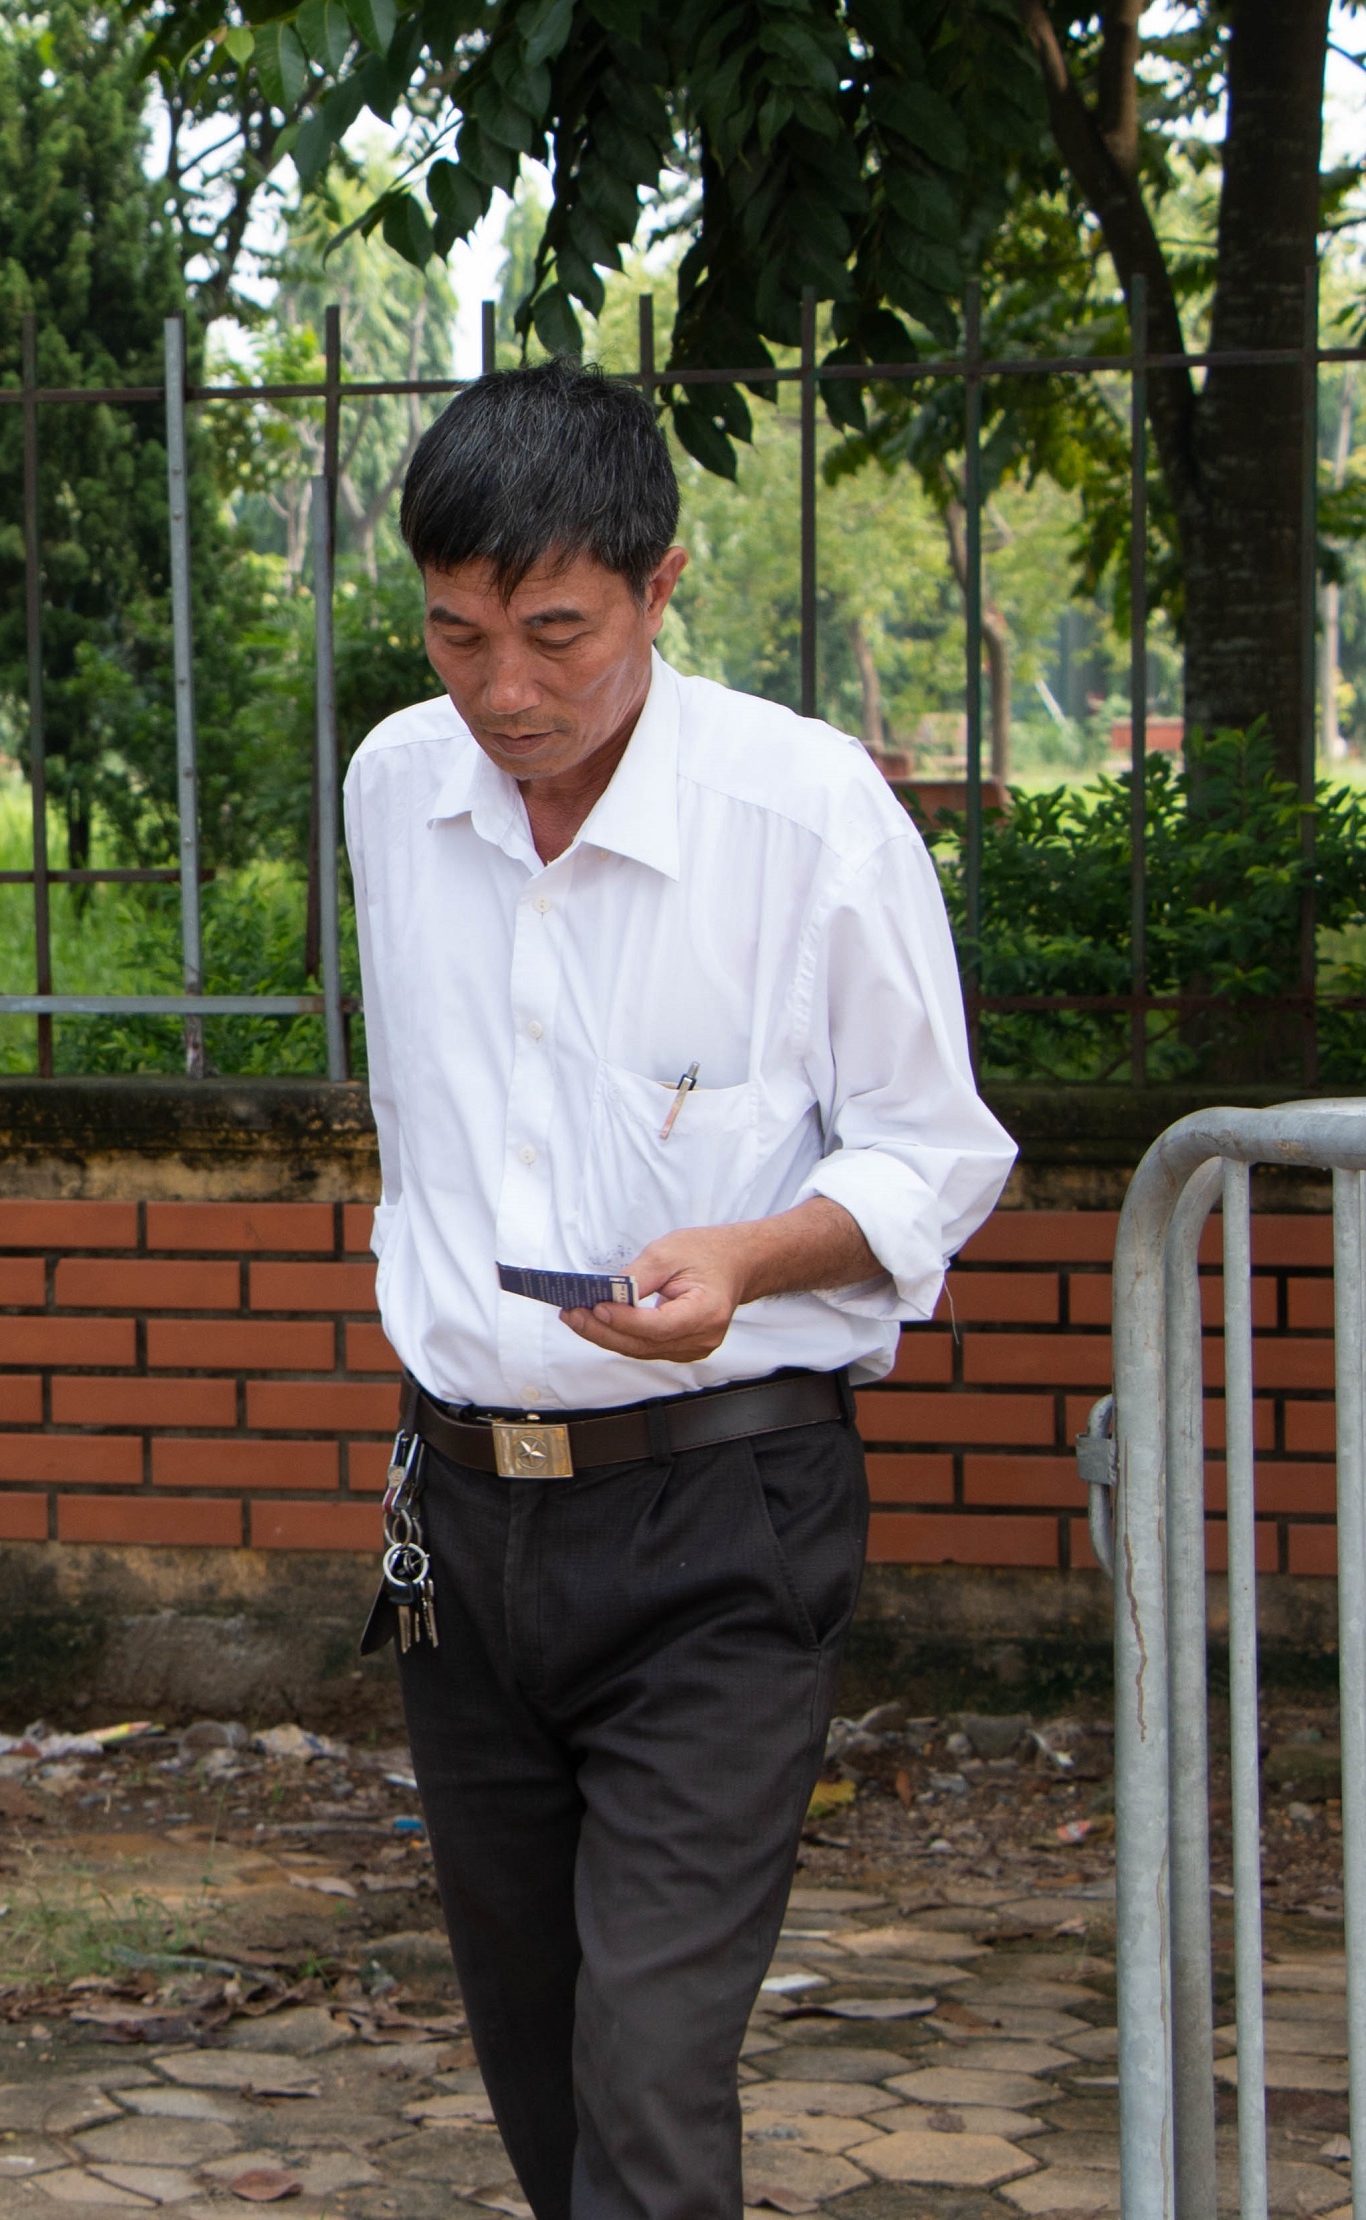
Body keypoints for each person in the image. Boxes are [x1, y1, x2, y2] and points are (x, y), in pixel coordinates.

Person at [341, 363, 1015, 2218]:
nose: (504, 692)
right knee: (540, 2067)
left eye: (556, 634)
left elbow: (936, 1152)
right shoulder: (398, 788)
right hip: (463, 1519)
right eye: (458, 635)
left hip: (721, 1519)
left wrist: (749, 1253)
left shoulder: (803, 815)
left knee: (647, 2070)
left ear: (660, 586)